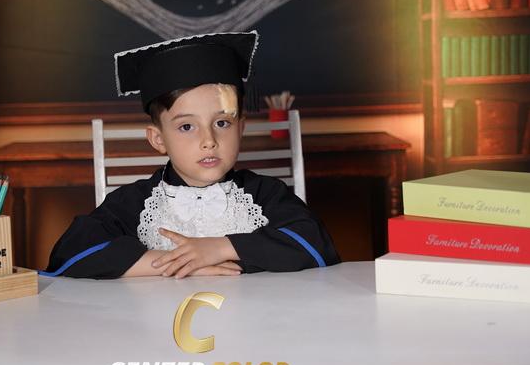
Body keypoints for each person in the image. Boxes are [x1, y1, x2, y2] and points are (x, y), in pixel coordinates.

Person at [43, 30, 340, 279]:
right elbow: (71, 254)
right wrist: (178, 263)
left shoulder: (266, 194)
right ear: (158, 138)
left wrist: (220, 247)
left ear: (241, 128)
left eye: (222, 123)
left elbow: (315, 246)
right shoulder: (133, 203)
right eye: (186, 126)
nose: (208, 141)